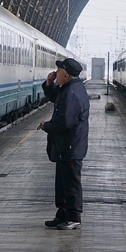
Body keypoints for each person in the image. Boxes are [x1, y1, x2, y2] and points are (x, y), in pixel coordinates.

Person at [38, 57, 89, 229]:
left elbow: (64, 122)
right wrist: (49, 82)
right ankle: (62, 215)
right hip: (66, 146)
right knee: (62, 183)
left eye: (58, 71)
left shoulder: (72, 93)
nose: (55, 73)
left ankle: (74, 218)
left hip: (71, 145)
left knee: (71, 183)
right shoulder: (69, 88)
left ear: (65, 75)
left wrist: (47, 126)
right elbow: (54, 96)